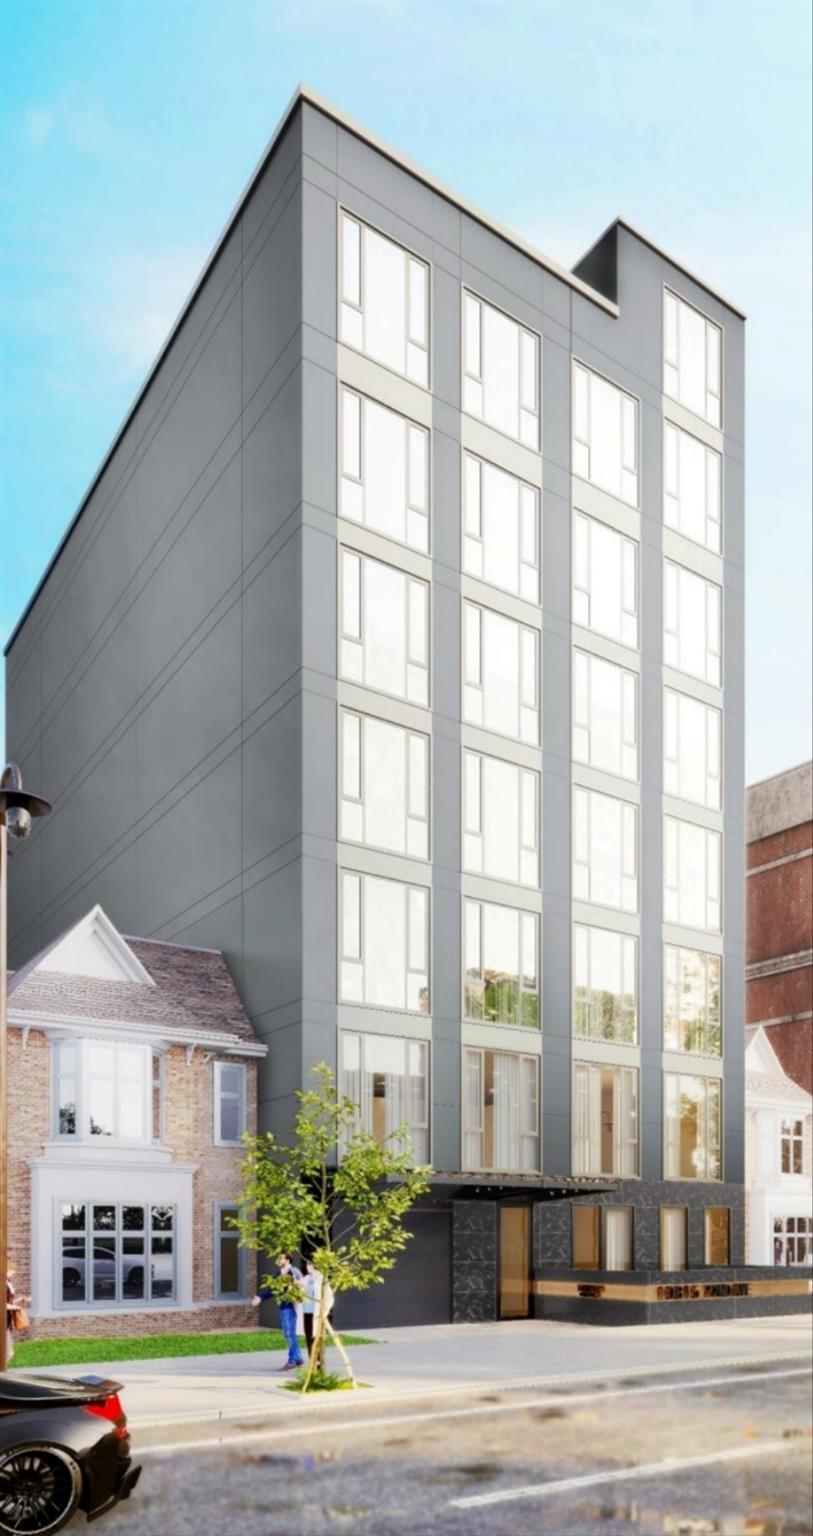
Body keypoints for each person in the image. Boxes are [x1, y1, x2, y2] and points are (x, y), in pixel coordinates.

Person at [252, 1253, 304, 1371]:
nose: (279, 1260)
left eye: (281, 1258)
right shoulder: (278, 1274)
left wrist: (297, 1285)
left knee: (290, 1334)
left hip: (293, 1306)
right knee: (289, 1334)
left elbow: (302, 1285)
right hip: (284, 1306)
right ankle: (299, 1359)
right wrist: (260, 1298)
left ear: (287, 1260)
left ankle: (292, 1361)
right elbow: (271, 1290)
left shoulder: (294, 1271)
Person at [298, 1260, 334, 1369]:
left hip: (317, 1314)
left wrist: (324, 1312)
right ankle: (312, 1363)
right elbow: (299, 1291)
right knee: (309, 1338)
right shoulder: (307, 1278)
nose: (307, 1266)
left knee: (317, 1339)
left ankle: (319, 1365)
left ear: (313, 1265)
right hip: (306, 1313)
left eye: (309, 1264)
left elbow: (329, 1298)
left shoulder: (322, 1279)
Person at [6, 1262, 30, 1365]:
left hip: (6, 1321)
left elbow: (8, 1302)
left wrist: (20, 1299)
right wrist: (17, 1307)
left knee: (8, 1350)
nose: (13, 1274)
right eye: (11, 1271)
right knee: (8, 1352)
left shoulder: (7, 1283)